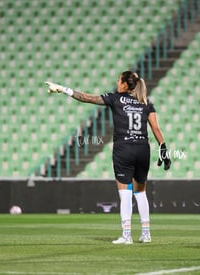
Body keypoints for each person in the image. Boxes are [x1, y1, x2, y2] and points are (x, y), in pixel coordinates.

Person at [45, 71, 171, 244]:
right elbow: (156, 128)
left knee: (125, 193)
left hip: (124, 149)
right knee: (141, 193)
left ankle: (127, 236)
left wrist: (63, 89)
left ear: (125, 85)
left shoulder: (115, 98)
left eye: (119, 80)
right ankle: (146, 233)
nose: (117, 82)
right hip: (143, 149)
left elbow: (86, 97)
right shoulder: (146, 102)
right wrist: (163, 147)